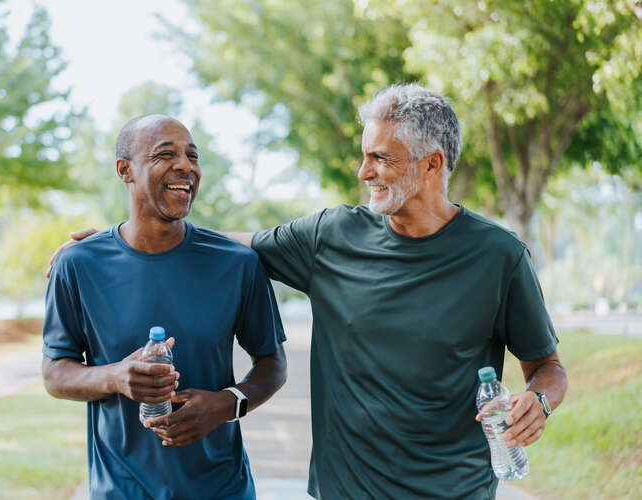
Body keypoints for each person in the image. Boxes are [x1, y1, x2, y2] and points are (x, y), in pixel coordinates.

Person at [48, 85, 568, 499]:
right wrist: (115, 237)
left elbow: (548, 366)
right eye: (364, 156)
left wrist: (538, 402)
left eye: (380, 159)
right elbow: (225, 245)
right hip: (344, 491)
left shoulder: (499, 256)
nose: (364, 172)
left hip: (456, 490)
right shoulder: (331, 236)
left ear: (432, 164)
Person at [42, 114, 287, 500]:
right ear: (126, 170)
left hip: (223, 489)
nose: (186, 166)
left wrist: (226, 404)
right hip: (120, 491)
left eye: (192, 156)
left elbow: (273, 364)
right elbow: (55, 373)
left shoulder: (238, 264)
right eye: (165, 154)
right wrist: (116, 377)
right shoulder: (78, 265)